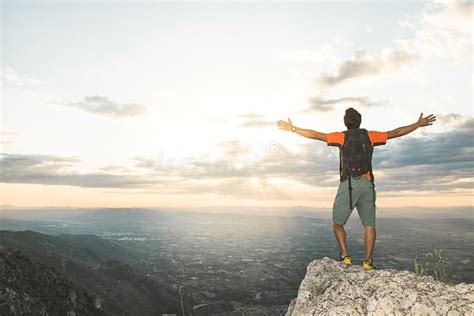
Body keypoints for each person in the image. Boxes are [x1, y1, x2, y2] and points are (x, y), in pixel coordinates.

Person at [277, 108, 436, 270]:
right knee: (369, 225)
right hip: (367, 184)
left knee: (337, 223)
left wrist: (294, 129)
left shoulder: (340, 137)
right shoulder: (370, 136)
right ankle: (368, 261)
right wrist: (418, 124)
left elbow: (318, 135)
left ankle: (345, 256)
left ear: (346, 123)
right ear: (360, 122)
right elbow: (395, 132)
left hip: (349, 184)